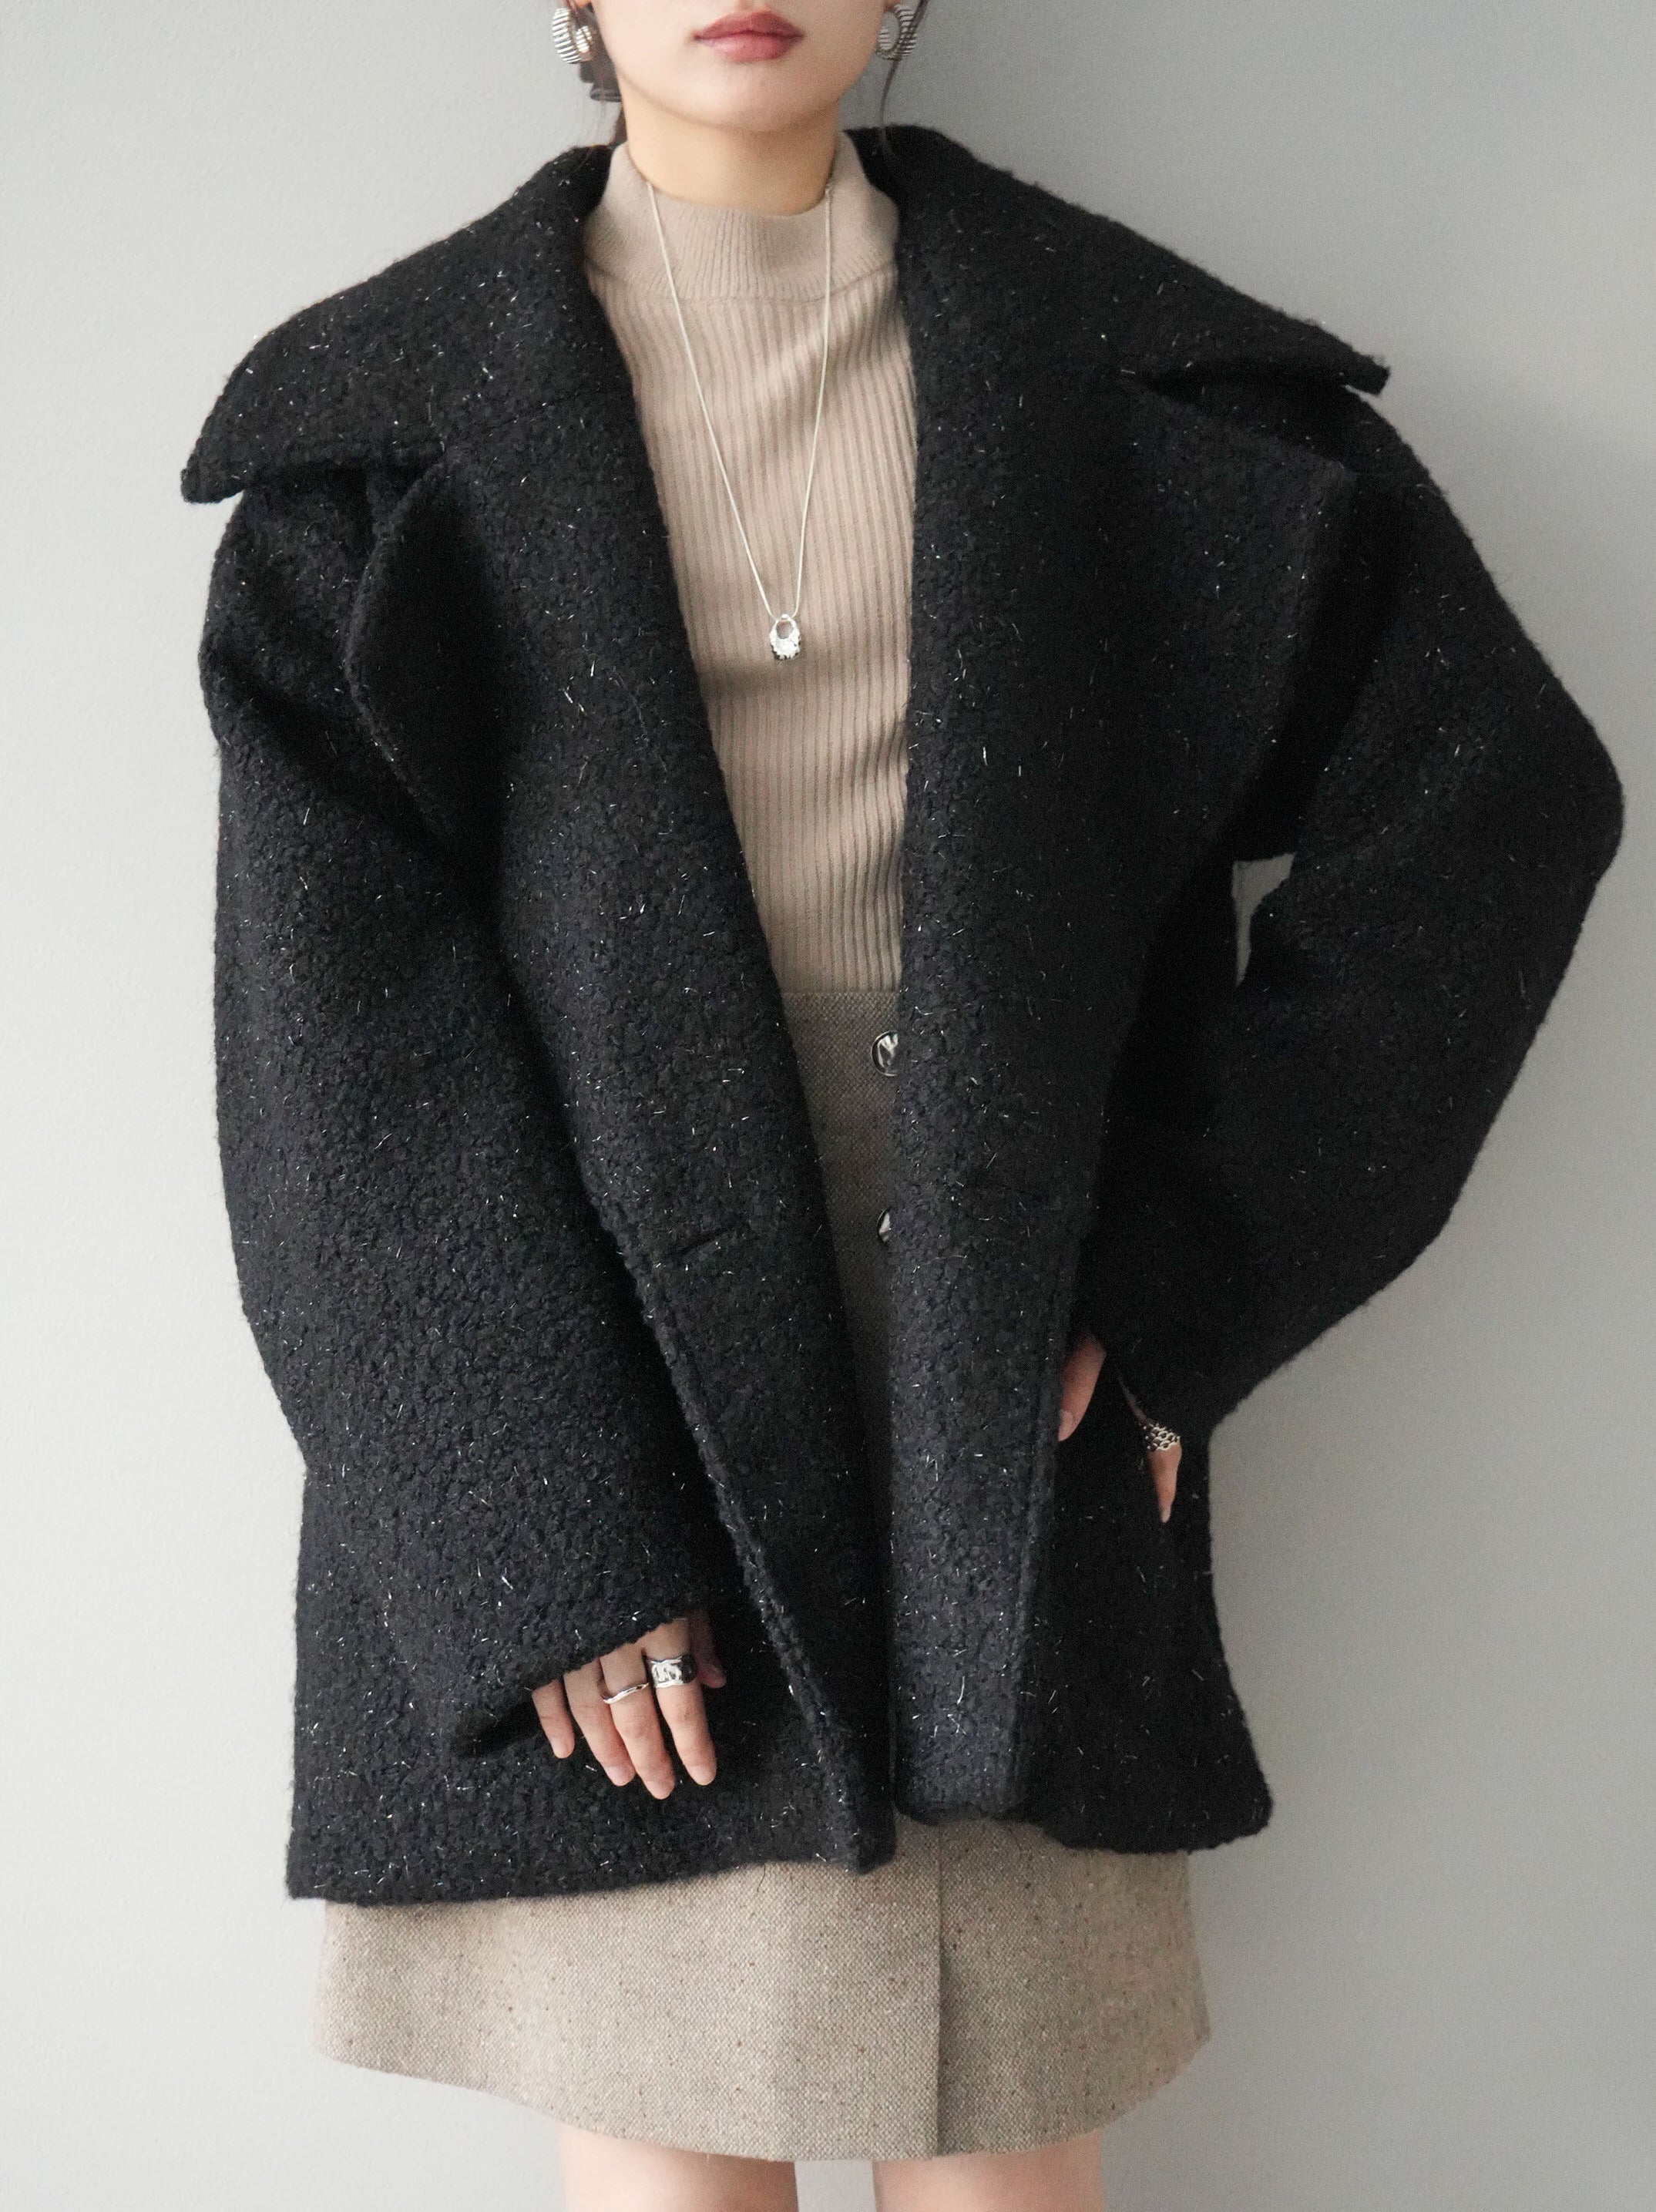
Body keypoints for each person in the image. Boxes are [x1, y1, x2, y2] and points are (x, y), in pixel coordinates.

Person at [180, 3, 1624, 2206]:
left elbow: (1489, 812)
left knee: (1003, 2158)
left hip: (1001, 1405)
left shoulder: (1144, 379)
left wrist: (1191, 1276)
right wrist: (538, 1534)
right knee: (672, 2153)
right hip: (602, 1389)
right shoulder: (381, 436)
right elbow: (338, 1047)